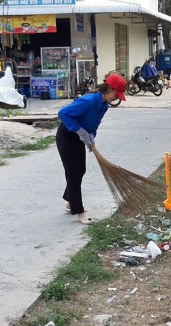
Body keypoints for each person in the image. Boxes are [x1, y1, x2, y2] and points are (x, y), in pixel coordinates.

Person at [56, 74, 127, 225]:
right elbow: (63, 113)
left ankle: (71, 201)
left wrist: (91, 136)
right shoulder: (88, 101)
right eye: (116, 94)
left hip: (79, 137)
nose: (116, 98)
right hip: (67, 136)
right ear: (109, 88)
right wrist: (80, 131)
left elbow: (94, 124)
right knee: (73, 172)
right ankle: (79, 211)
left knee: (81, 170)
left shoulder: (104, 106)